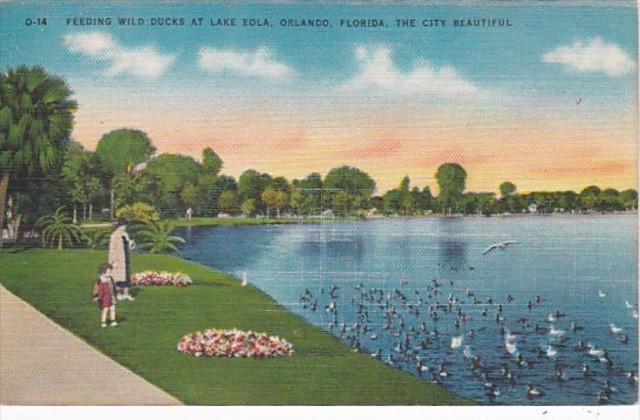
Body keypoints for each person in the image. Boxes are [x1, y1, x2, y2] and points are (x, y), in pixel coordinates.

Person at [108, 220, 135, 301]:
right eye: (124, 226)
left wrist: (131, 244)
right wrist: (113, 261)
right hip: (118, 259)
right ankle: (118, 293)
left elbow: (127, 245)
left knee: (126, 276)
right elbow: (112, 249)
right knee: (118, 277)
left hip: (126, 257)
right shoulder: (114, 235)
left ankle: (126, 294)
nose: (125, 227)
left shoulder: (125, 234)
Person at [92, 263, 118, 328]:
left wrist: (115, 294)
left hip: (111, 296)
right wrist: (96, 296)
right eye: (108, 271)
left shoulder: (110, 279)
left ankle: (113, 320)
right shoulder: (101, 280)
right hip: (104, 297)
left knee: (112, 308)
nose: (110, 273)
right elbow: (96, 289)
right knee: (105, 309)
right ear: (103, 272)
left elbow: (113, 287)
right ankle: (103, 322)